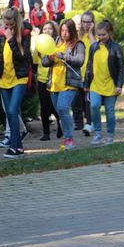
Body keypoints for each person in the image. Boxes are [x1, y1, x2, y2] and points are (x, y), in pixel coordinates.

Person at [0, 8, 34, 158]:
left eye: (11, 24)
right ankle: (17, 147)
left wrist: (12, 39)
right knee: (9, 112)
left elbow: (23, 56)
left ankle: (14, 146)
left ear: (17, 22)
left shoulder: (25, 34)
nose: (7, 28)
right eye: (5, 24)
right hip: (4, 78)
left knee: (13, 110)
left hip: (20, 77)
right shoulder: (0, 34)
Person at [41, 19, 85, 151]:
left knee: (63, 107)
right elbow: (44, 61)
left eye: (67, 30)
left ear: (72, 31)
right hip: (54, 84)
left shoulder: (78, 44)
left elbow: (80, 60)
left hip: (69, 84)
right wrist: (49, 58)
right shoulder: (55, 42)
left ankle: (69, 138)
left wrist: (64, 56)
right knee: (60, 112)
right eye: (62, 30)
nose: (64, 33)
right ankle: (67, 137)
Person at [85, 19, 124, 145]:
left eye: (103, 35)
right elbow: (89, 66)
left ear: (110, 33)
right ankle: (97, 133)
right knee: (94, 106)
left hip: (111, 85)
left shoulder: (116, 48)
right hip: (95, 84)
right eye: (99, 35)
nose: (101, 37)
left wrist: (119, 85)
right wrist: (86, 84)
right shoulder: (94, 47)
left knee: (109, 111)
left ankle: (110, 136)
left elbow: (121, 68)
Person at [33, 21, 63, 141]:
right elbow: (35, 64)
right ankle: (46, 133)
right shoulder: (39, 46)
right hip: (42, 80)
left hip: (55, 80)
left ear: (54, 30)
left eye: (49, 29)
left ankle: (61, 125)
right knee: (44, 108)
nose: (47, 31)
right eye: (44, 29)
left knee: (54, 106)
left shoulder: (57, 44)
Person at [73, 10, 97, 136]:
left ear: (93, 23)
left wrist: (92, 33)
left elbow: (94, 48)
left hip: (90, 74)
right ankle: (83, 122)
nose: (86, 25)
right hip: (78, 73)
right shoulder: (78, 37)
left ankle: (89, 123)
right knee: (80, 100)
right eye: (84, 22)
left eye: (89, 22)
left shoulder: (96, 36)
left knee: (88, 100)